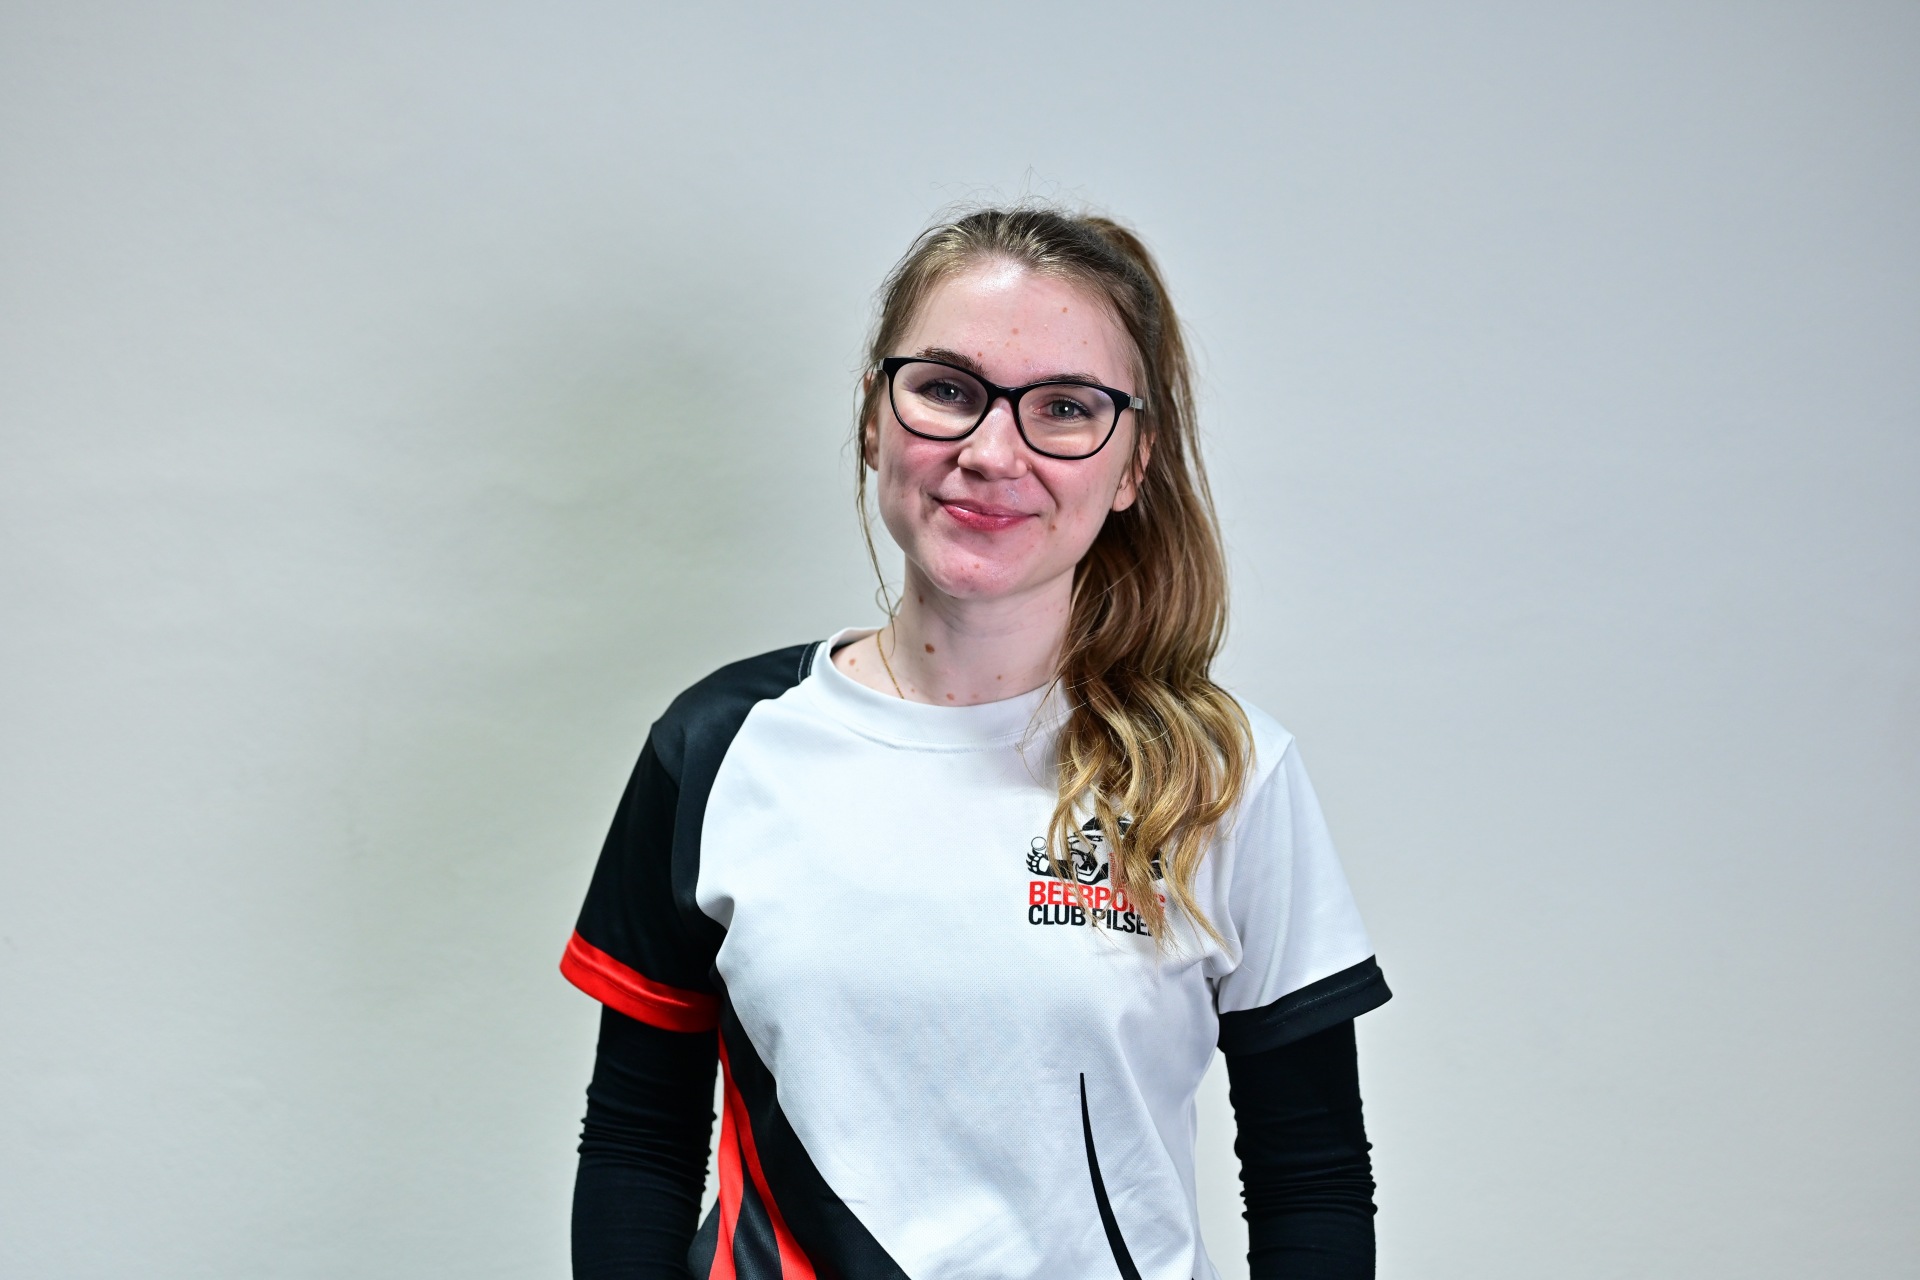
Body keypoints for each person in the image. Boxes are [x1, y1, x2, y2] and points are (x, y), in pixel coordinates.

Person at [562, 207, 1392, 1280]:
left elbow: (1311, 1179)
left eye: (1066, 408)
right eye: (948, 390)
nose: (992, 453)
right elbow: (639, 1140)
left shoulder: (1222, 775)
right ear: (875, 418)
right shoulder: (719, 747)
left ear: (1133, 465)